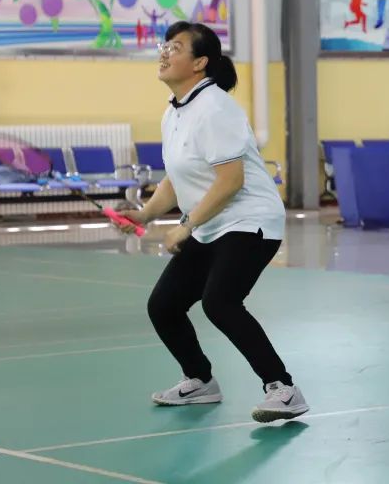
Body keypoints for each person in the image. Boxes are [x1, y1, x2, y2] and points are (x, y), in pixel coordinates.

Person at [116, 21, 308, 422]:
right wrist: (145, 213)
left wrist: (186, 226)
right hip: (213, 223)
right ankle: (200, 380)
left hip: (249, 220)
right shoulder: (175, 111)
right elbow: (177, 177)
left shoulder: (216, 108)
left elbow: (230, 180)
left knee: (220, 302)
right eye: (165, 45)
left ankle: (283, 389)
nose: (165, 52)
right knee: (164, 305)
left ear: (200, 62)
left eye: (176, 47)